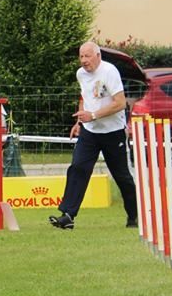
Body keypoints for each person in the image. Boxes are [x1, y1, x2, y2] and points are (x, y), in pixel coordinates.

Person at [49, 42, 138, 230]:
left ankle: (134, 216)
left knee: (122, 176)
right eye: (81, 56)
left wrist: (94, 115)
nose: (83, 61)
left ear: (98, 56)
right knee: (77, 168)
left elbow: (120, 103)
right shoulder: (81, 74)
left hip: (113, 132)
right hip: (90, 131)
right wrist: (80, 122)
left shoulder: (109, 72)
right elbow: (85, 97)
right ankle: (68, 216)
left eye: (87, 56)